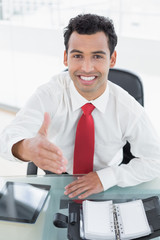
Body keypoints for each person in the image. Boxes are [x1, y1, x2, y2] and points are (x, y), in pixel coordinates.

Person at [0, 13, 160, 200]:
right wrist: (26, 147)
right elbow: (7, 138)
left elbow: (155, 161)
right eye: (77, 56)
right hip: (60, 181)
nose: (86, 68)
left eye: (97, 57)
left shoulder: (128, 108)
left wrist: (106, 178)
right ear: (66, 58)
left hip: (109, 185)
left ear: (113, 59)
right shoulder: (50, 93)